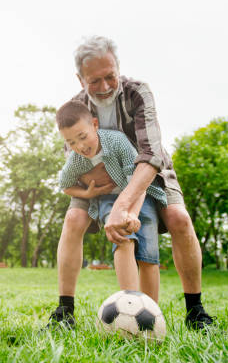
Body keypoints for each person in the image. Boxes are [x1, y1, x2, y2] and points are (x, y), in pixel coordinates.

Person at [47, 35, 214, 330]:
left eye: (109, 76)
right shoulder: (73, 109)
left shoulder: (138, 93)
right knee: (73, 218)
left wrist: (124, 205)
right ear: (79, 78)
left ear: (118, 67)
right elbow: (74, 163)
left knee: (178, 218)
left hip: (150, 171)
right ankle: (64, 313)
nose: (104, 87)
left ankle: (196, 312)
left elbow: (150, 155)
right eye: (93, 81)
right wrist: (100, 188)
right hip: (99, 179)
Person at [56, 100, 166, 306]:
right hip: (108, 199)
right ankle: (130, 307)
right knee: (122, 238)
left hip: (140, 194)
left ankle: (151, 313)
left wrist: (132, 213)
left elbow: (137, 180)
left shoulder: (117, 141)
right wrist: (88, 193)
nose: (80, 146)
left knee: (148, 256)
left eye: (82, 137)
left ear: (95, 125)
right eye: (71, 143)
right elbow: (65, 185)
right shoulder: (75, 160)